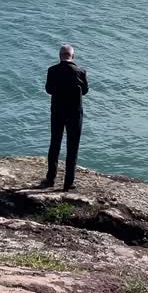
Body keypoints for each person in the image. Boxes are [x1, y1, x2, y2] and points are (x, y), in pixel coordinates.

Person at [43, 44, 88, 190]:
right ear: (72, 56)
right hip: (75, 114)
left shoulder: (52, 70)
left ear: (59, 56)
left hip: (57, 112)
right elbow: (85, 91)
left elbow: (49, 89)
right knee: (72, 147)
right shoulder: (80, 72)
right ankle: (68, 183)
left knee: (55, 144)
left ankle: (50, 179)